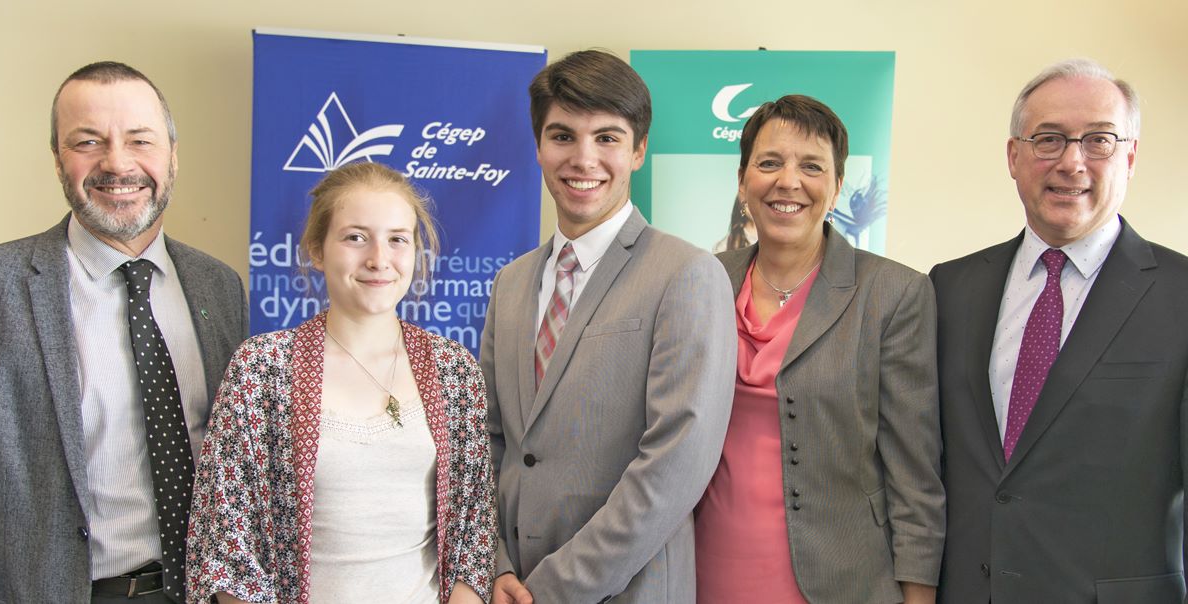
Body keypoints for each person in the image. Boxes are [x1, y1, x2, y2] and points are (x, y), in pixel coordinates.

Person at [0, 61, 248, 603]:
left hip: (211, 593)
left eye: (139, 140)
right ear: (58, 158)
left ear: (173, 155)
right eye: (88, 141)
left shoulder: (219, 286)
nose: (117, 162)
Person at [931, 58, 1188, 603]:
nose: (1071, 162)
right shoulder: (948, 288)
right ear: (1013, 156)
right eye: (1048, 139)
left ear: (1130, 157)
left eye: (1098, 141)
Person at [479, 50, 736, 604]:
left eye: (608, 138)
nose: (583, 158)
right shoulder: (511, 283)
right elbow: (491, 440)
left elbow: (677, 461)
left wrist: (553, 589)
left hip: (628, 590)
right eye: (563, 136)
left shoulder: (687, 274)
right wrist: (496, 564)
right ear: (539, 147)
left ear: (639, 149)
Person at [185, 161, 495, 604]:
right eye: (355, 237)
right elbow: (230, 547)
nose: (378, 259)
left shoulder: (453, 371)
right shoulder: (263, 369)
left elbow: (472, 533)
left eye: (397, 240)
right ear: (316, 249)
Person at [698, 95, 943, 604]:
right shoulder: (701, 282)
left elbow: (915, 476)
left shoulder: (893, 294)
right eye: (769, 163)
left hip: (843, 580)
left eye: (812, 166)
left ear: (835, 188)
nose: (789, 181)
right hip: (706, 568)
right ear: (743, 182)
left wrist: (918, 597)